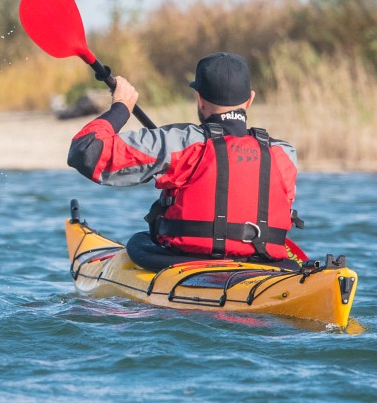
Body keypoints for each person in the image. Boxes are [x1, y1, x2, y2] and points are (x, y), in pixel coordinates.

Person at [67, 51, 301, 269]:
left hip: (188, 263)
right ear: (249, 100)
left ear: (199, 99)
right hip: (265, 266)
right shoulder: (284, 154)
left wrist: (122, 107)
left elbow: (86, 152)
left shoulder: (179, 144)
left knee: (140, 241)